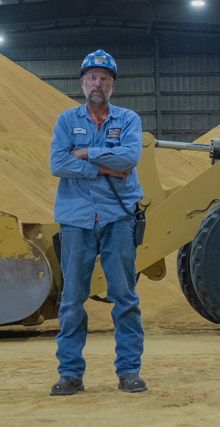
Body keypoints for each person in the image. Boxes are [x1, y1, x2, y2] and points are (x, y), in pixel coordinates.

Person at [48, 49, 146, 396]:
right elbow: (57, 163)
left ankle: (129, 371)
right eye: (91, 77)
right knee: (72, 299)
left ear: (112, 85)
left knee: (125, 297)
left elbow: (130, 157)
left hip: (118, 218)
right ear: (82, 83)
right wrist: (104, 167)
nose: (97, 83)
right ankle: (70, 374)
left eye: (104, 78)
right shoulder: (65, 120)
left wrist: (86, 152)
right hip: (76, 220)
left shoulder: (129, 120)